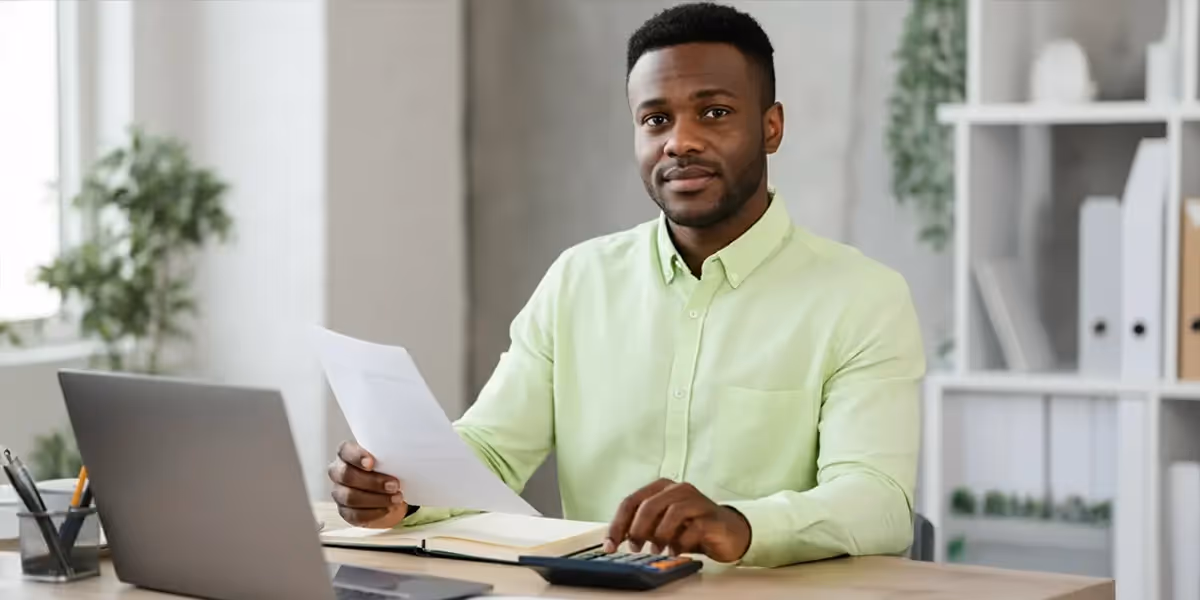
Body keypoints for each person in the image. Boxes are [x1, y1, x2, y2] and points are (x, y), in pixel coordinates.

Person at [328, 2, 924, 568]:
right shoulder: (578, 280)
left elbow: (876, 501)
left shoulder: (862, 297)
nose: (679, 141)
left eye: (714, 112)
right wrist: (399, 491)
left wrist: (740, 525)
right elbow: (491, 451)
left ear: (771, 128)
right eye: (656, 119)